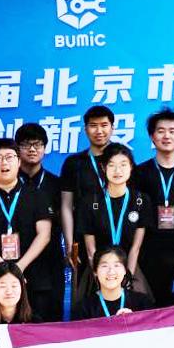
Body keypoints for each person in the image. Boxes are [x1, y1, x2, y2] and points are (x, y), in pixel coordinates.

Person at [0, 138, 55, 317]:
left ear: (19, 162)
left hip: (33, 277)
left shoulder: (37, 195)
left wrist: (18, 269)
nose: (4, 162)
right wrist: (5, 272)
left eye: (9, 157)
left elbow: (44, 235)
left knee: (35, 327)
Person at [136, 109, 174, 305]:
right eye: (160, 131)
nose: (166, 136)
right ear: (152, 137)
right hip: (151, 253)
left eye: (172, 131)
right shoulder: (139, 173)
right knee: (154, 307)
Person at [78, 143, 152, 286]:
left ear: (131, 167)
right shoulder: (89, 202)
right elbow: (90, 249)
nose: (118, 170)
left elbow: (136, 247)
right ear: (103, 167)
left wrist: (127, 278)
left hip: (129, 268)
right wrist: (100, 277)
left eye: (123, 164)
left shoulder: (141, 200)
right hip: (98, 271)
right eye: (111, 165)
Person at [15, 122, 66, 322]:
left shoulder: (56, 185)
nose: (32, 149)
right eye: (26, 144)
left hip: (49, 264)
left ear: (45, 148)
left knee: (49, 323)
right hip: (16, 264)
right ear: (17, 149)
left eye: (37, 144)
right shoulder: (8, 184)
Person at [60, 105, 114, 272]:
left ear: (112, 128)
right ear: (85, 129)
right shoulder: (74, 163)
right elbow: (66, 205)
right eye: (93, 126)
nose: (99, 131)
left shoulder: (122, 158)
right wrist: (70, 243)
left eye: (104, 125)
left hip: (117, 236)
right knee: (85, 286)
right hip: (83, 237)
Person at [71, 247, 153, 320]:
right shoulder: (83, 309)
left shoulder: (142, 303)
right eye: (105, 266)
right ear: (95, 271)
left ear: (125, 270)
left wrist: (135, 320)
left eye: (116, 265)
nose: (111, 271)